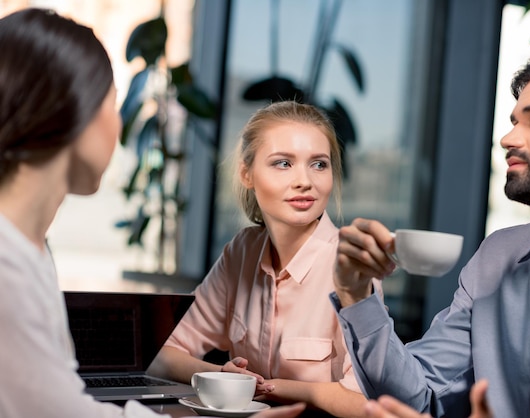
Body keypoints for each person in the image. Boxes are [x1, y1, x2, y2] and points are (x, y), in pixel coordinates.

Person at [0, 8, 306, 418]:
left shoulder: (29, 250)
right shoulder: (8, 267)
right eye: (111, 103)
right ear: (67, 111)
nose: (118, 124)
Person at [331, 44, 530, 418]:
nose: (509, 138)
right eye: (514, 120)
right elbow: (418, 395)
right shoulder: (496, 256)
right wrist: (356, 297)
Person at [147, 100, 383, 417]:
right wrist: (221, 376)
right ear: (247, 174)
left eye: (319, 164)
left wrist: (273, 388)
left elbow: (368, 403)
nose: (305, 181)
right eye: (283, 163)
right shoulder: (241, 251)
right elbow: (163, 353)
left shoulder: (350, 267)